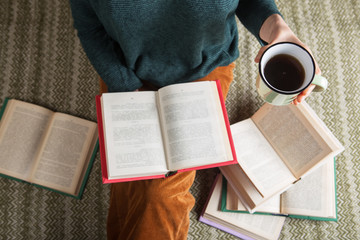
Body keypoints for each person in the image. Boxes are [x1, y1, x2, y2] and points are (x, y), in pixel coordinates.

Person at [70, 1, 321, 239]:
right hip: (125, 70)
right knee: (131, 174)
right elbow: (90, 26)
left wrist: (279, 27)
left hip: (204, 70)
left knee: (158, 192)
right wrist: (127, 87)